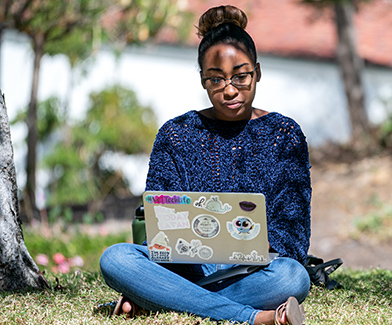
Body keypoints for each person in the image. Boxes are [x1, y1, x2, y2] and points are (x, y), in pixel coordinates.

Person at [99, 5, 312, 325]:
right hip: (187, 265)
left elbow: (295, 237)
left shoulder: (285, 135)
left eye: (241, 76)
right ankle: (254, 318)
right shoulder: (176, 134)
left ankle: (160, 297)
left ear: (258, 72)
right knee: (115, 259)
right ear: (202, 80)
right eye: (216, 79)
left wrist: (260, 242)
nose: (229, 90)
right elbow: (157, 224)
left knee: (293, 278)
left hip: (252, 270)